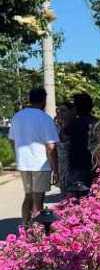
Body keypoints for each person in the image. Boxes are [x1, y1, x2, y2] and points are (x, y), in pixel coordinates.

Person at [9, 87, 60, 228]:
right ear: (44, 100)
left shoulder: (17, 116)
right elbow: (51, 147)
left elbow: (12, 140)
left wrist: (18, 155)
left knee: (28, 196)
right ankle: (38, 231)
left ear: (30, 99)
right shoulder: (45, 119)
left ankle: (25, 225)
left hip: (24, 164)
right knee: (39, 199)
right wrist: (56, 169)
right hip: (40, 165)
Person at [63, 92, 100, 191]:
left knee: (75, 198)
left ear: (76, 108)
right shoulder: (97, 122)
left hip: (75, 165)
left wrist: (68, 118)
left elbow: (62, 137)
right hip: (94, 165)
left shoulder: (73, 124)